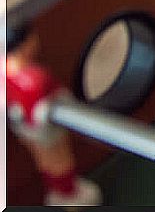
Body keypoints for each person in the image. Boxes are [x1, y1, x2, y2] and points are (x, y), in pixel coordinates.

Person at [5, 20, 103, 208]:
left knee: (43, 158)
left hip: (22, 123)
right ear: (24, 44)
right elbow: (53, 98)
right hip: (43, 124)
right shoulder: (34, 78)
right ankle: (69, 195)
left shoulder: (4, 69)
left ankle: (60, 191)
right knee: (60, 158)